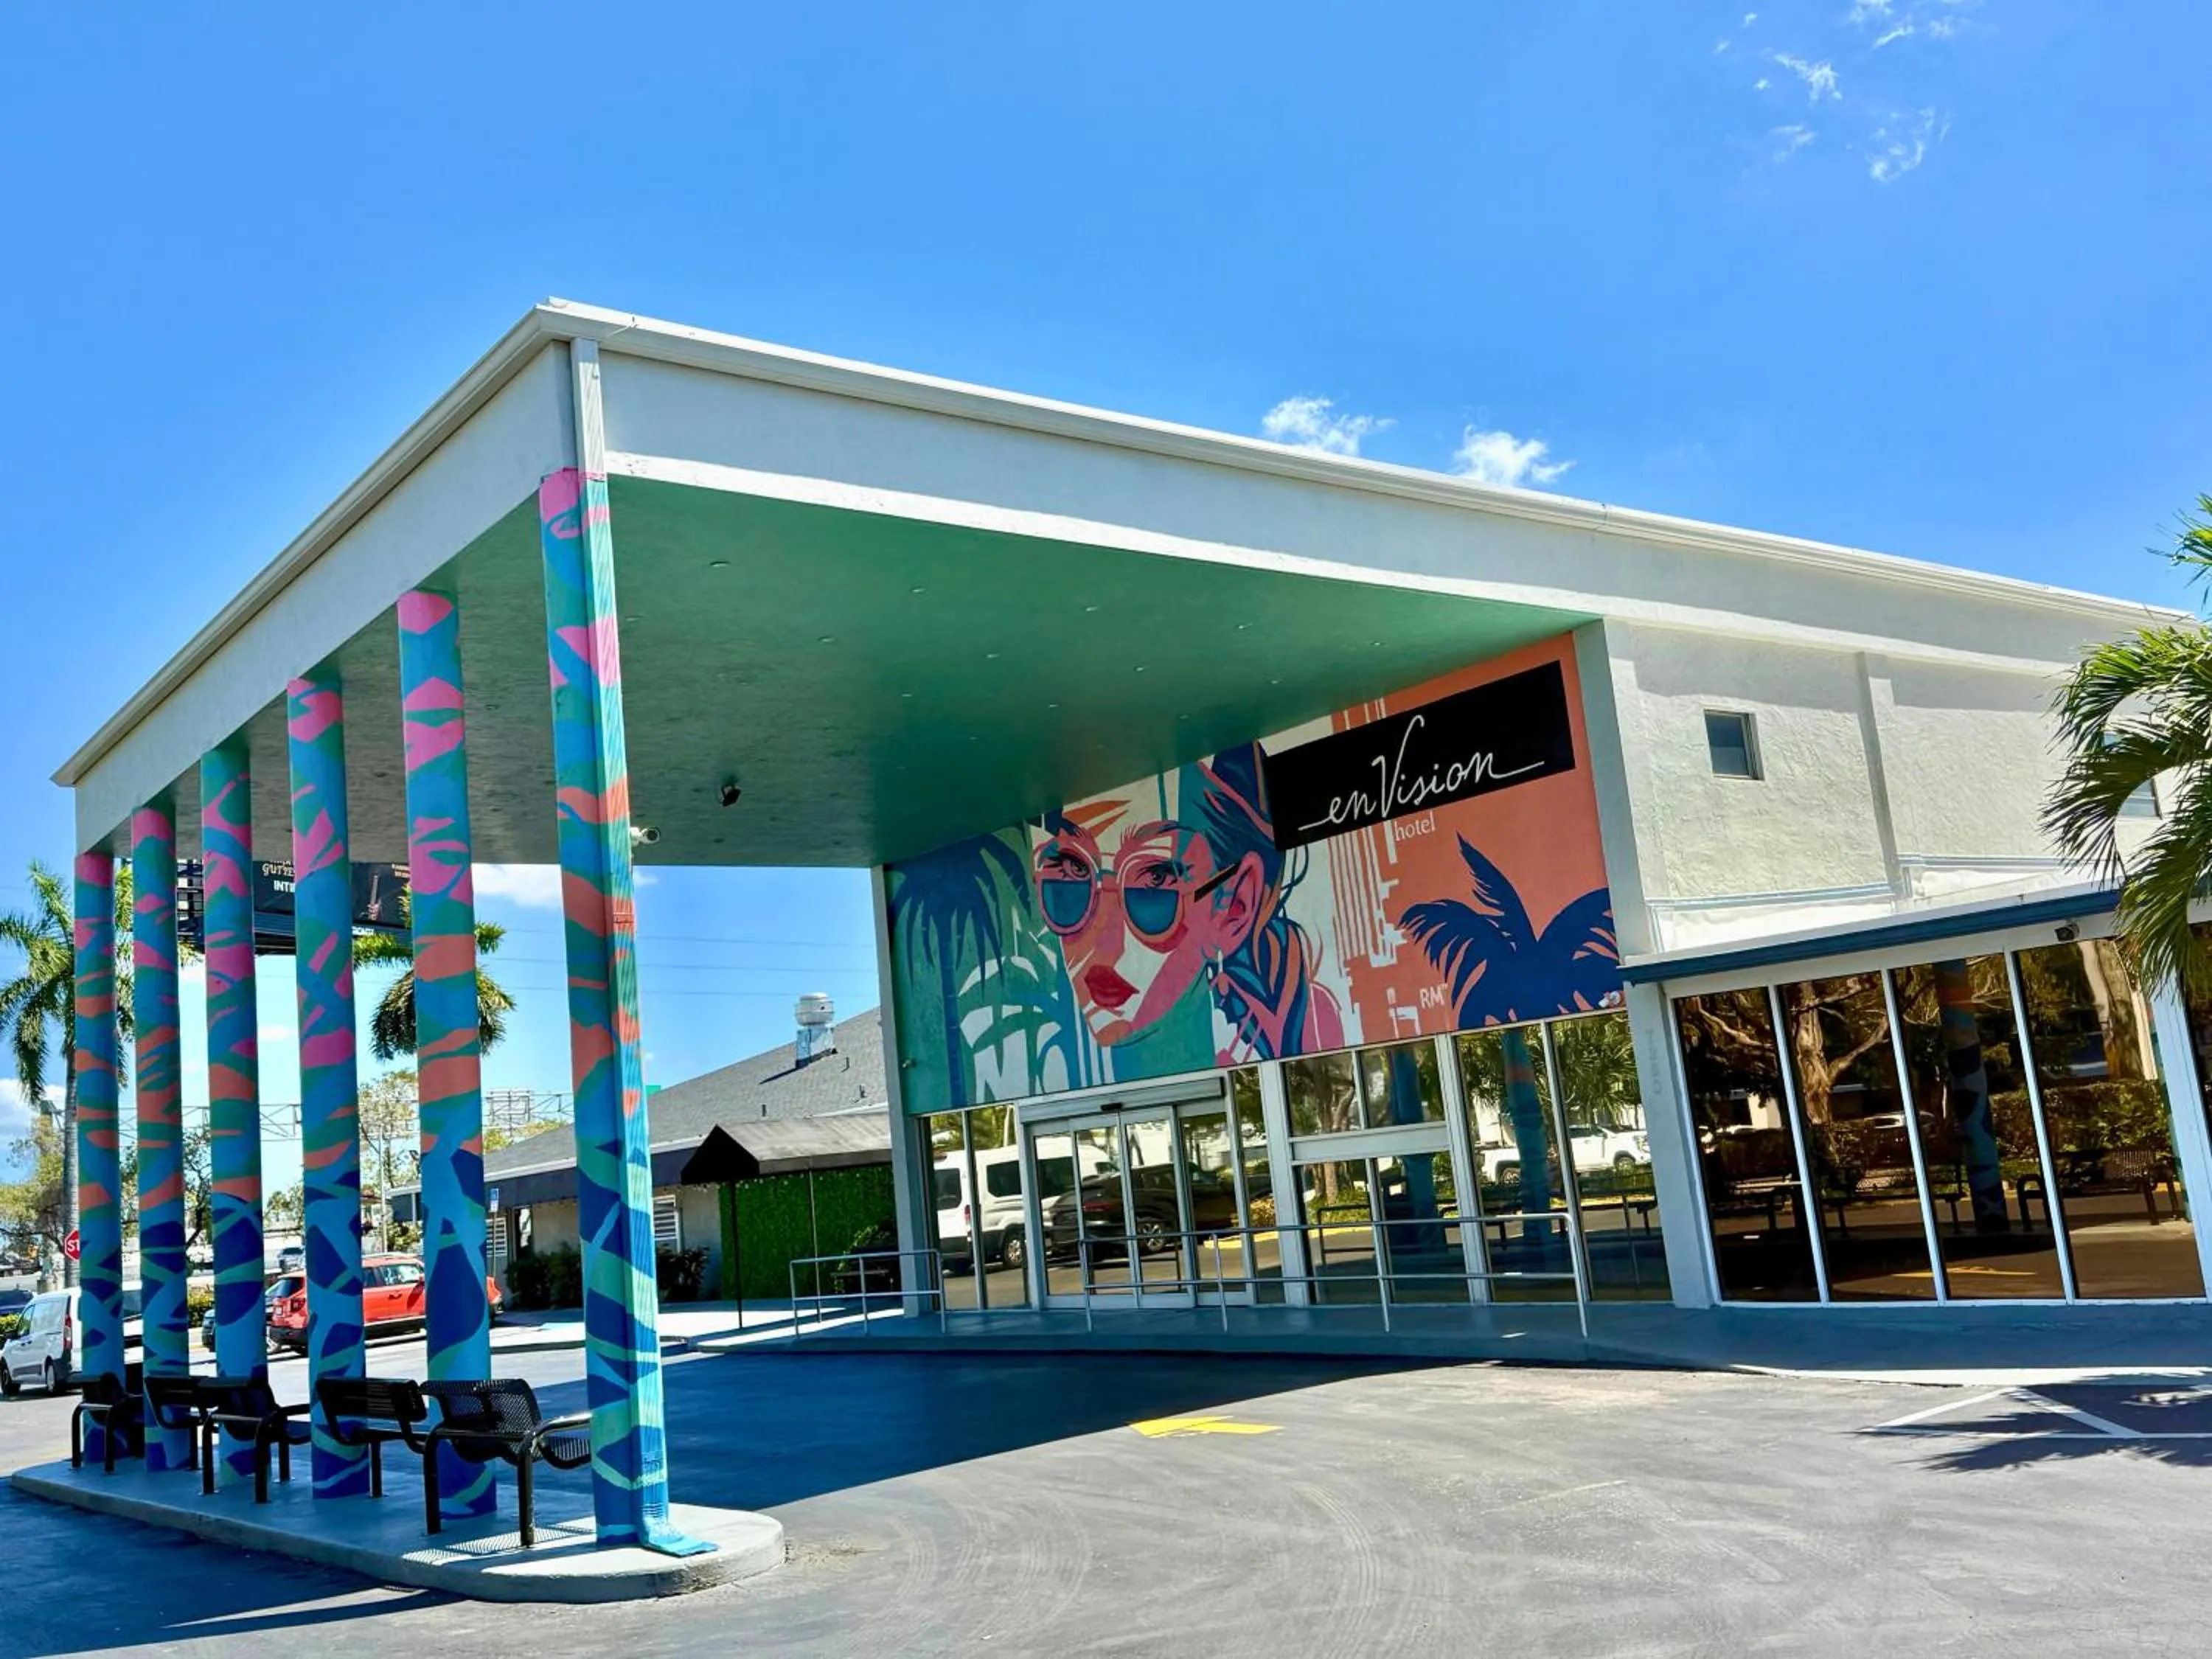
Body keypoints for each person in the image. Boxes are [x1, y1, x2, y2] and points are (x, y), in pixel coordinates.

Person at [1030, 743, 1341, 1068]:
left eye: (1154, 885)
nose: (1105, 946)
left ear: (1235, 906)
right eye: (1070, 876)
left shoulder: (1311, 1026)